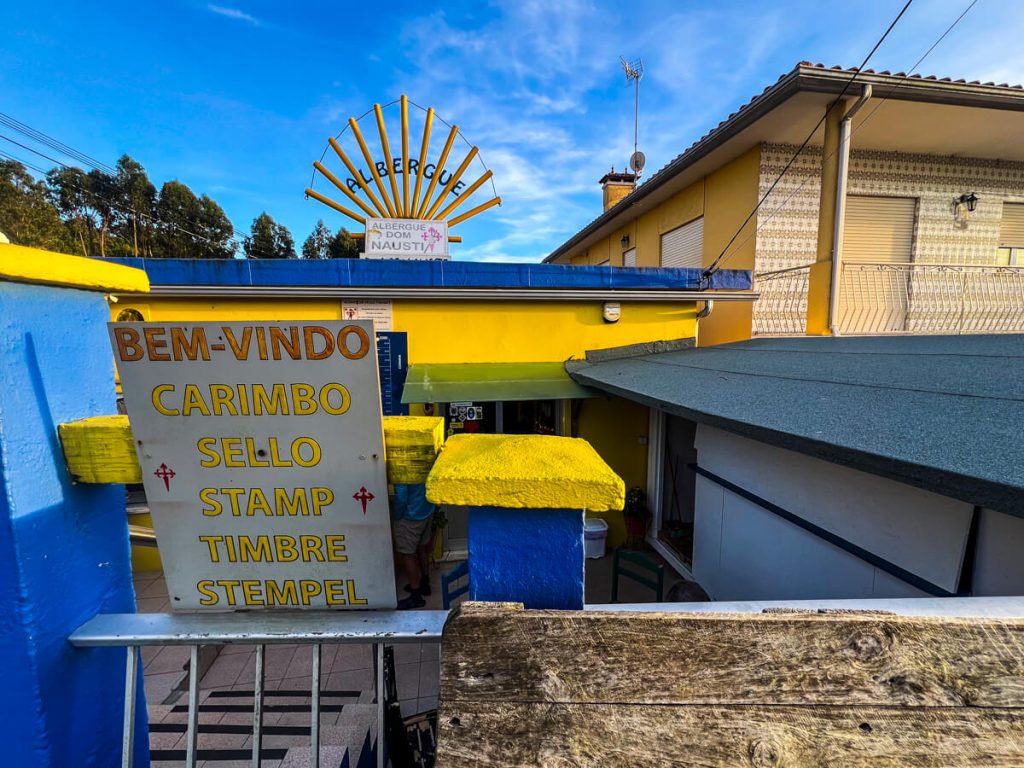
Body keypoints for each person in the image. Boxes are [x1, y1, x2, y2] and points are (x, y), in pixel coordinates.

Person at [391, 483, 435, 610]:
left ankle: (416, 597)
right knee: (422, 548)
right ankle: (425, 584)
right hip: (426, 510)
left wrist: (397, 516)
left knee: (408, 555)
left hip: (410, 516)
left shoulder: (402, 470)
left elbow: (401, 496)